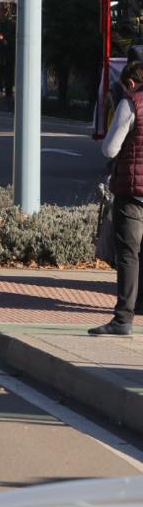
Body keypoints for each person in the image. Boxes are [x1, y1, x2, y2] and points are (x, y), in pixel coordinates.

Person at [93, 60, 143, 336]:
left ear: (131, 83)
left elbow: (110, 149)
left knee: (128, 254)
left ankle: (123, 319)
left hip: (133, 193)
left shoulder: (131, 103)